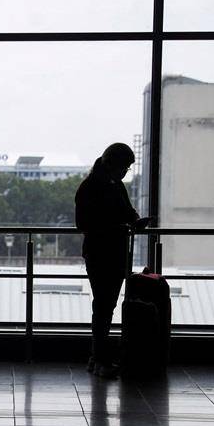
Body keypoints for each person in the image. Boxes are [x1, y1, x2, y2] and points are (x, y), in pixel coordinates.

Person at [75, 142, 150, 378]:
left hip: (103, 251)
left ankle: (97, 357)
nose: (125, 172)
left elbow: (121, 213)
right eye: (124, 167)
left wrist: (131, 220)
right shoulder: (102, 187)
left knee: (104, 305)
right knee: (105, 305)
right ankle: (99, 359)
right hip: (107, 251)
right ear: (112, 164)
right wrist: (126, 224)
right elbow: (87, 223)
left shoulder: (95, 186)